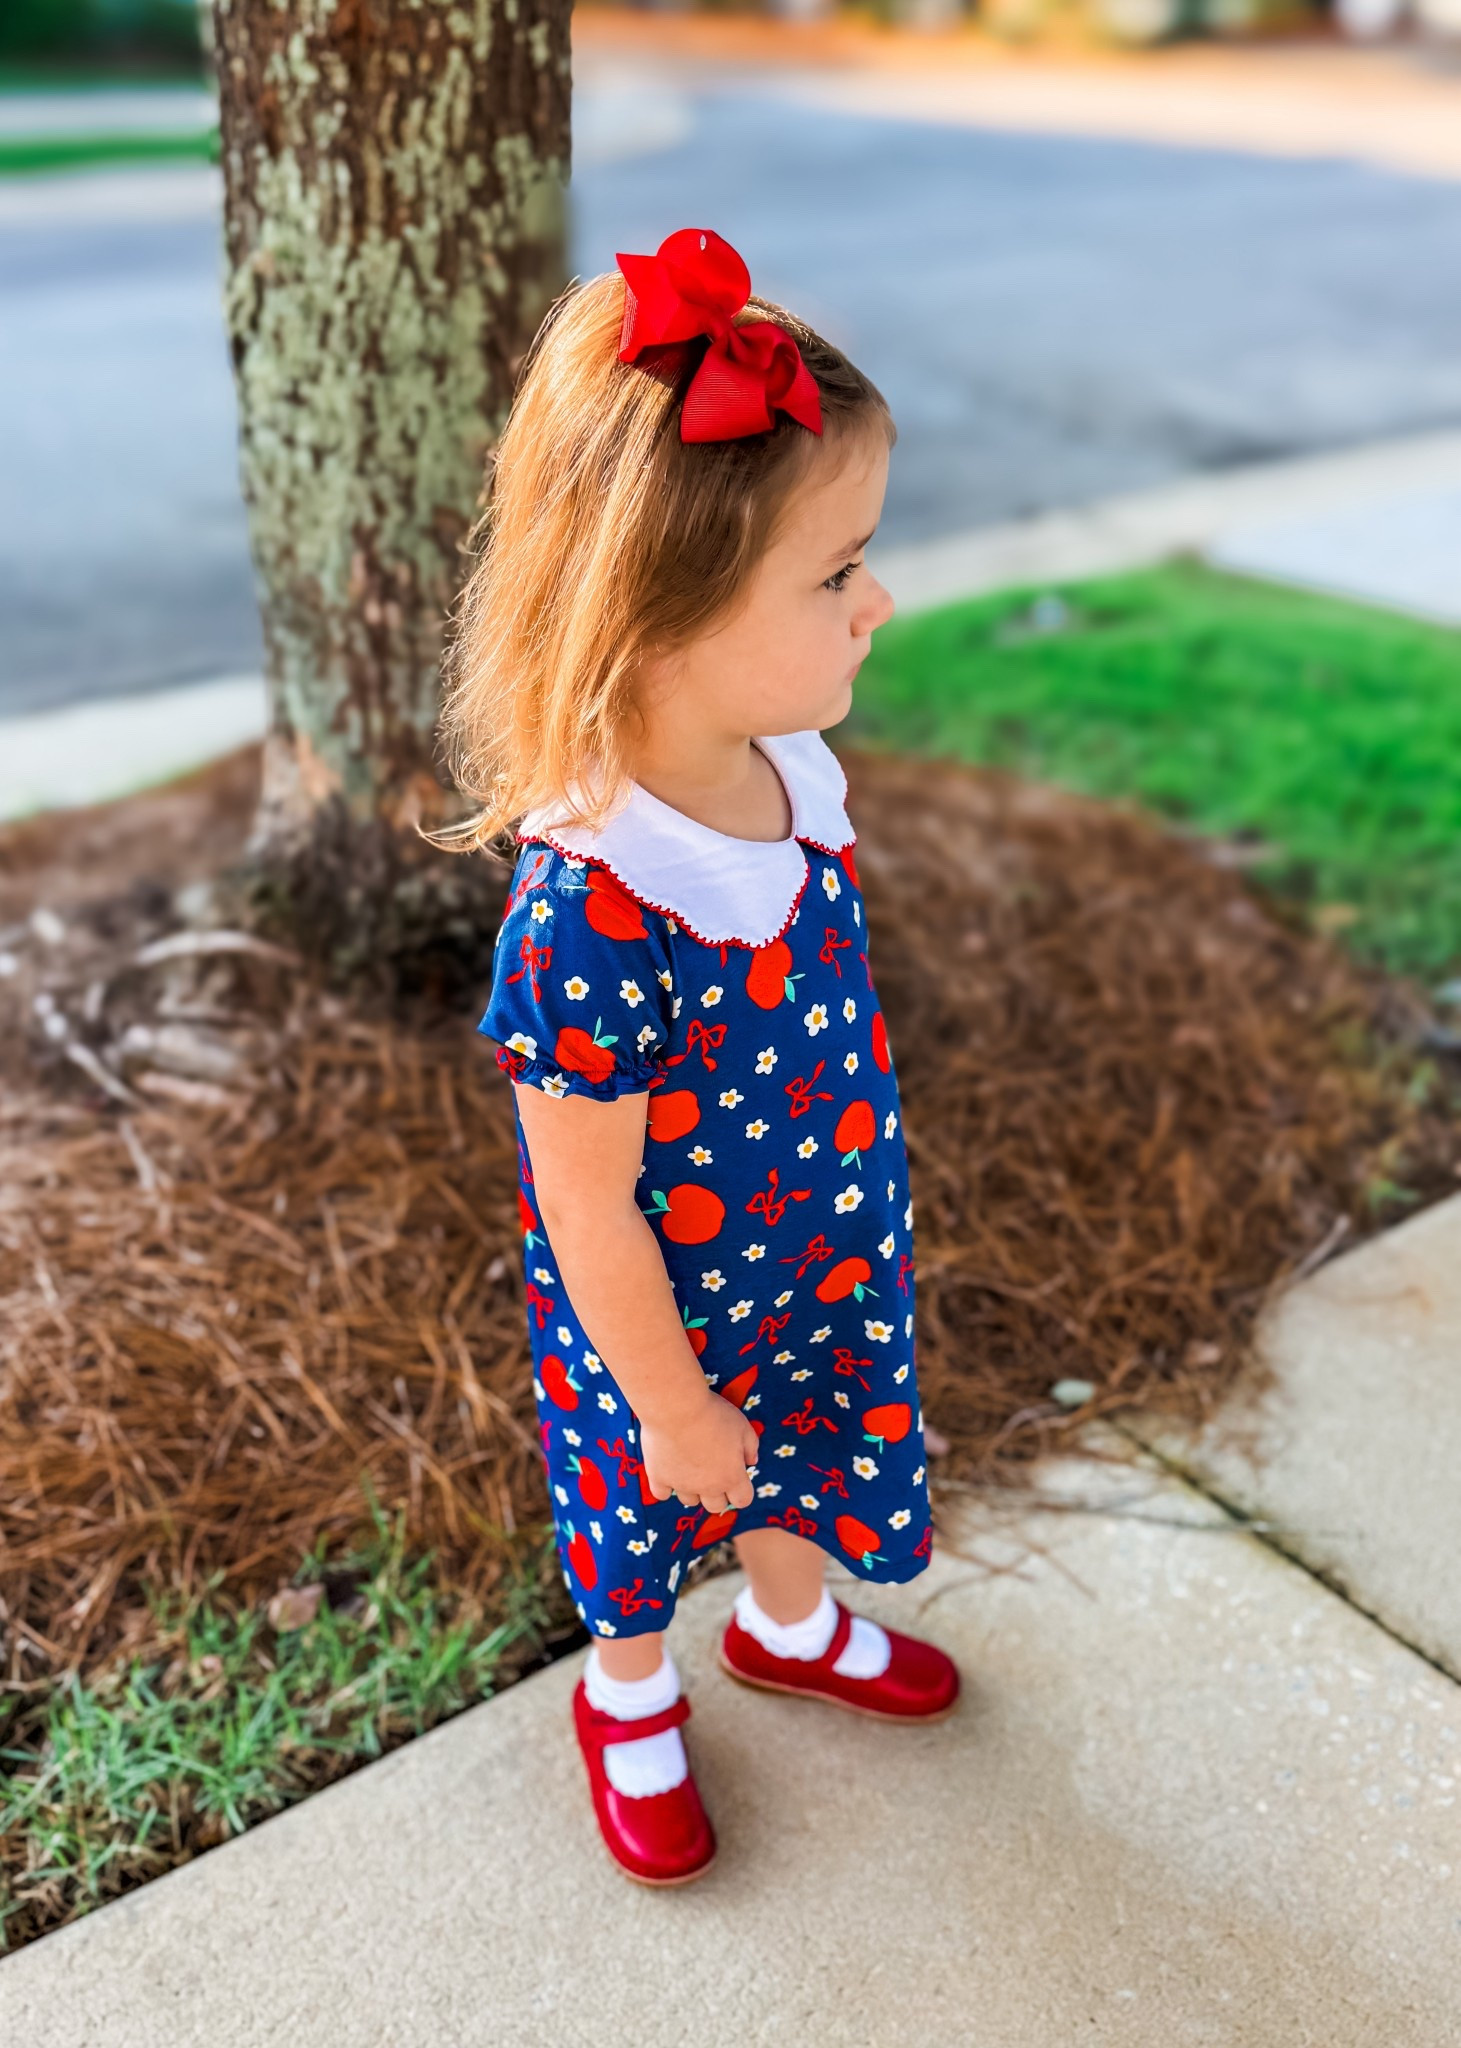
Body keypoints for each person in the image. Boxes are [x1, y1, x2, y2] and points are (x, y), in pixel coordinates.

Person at [439, 227, 958, 1888]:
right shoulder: (592, 911)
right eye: (834, 574)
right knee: (656, 1514)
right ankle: (631, 1694)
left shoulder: (791, 779)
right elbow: (584, 1212)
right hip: (658, 1321)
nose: (878, 600)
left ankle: (792, 1631)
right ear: (654, 627)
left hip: (813, 1254)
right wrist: (663, 1401)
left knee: (804, 1450)